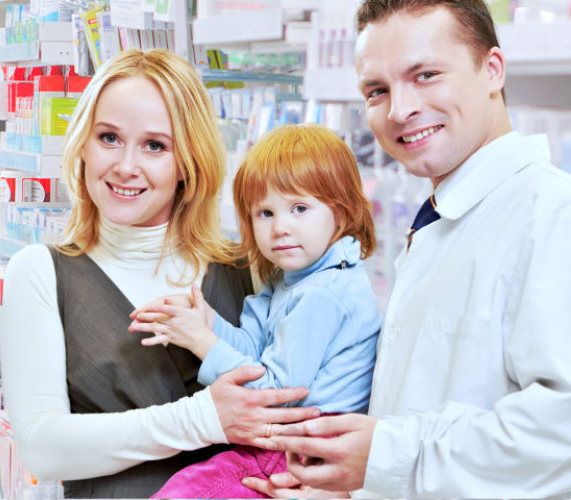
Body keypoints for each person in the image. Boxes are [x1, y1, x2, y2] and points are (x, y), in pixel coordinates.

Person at [244, 0, 571, 497]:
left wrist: (385, 456)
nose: (400, 109)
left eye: (426, 74)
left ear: (492, 70)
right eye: (377, 90)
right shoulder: (443, 217)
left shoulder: (567, 222)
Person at [0, 49, 322, 498]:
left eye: (155, 146)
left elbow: (307, 399)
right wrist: (205, 419)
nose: (126, 165)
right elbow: (42, 447)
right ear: (83, 146)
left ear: (188, 163)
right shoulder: (42, 273)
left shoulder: (246, 268)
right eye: (109, 137)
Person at [129, 124, 383, 499]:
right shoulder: (293, 281)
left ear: (341, 211)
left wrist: (203, 342)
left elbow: (277, 395)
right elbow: (253, 350)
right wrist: (208, 324)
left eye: (299, 208)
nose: (281, 227)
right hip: (287, 444)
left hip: (299, 450)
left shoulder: (320, 296)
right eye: (265, 213)